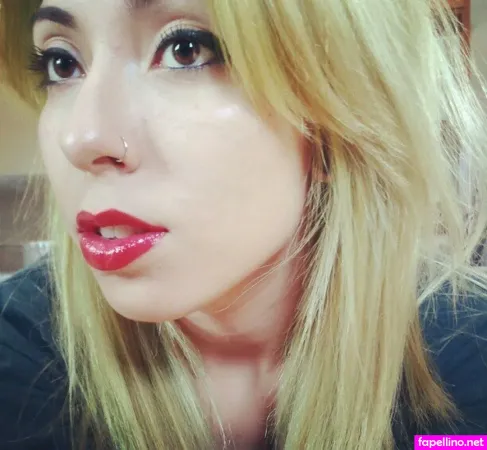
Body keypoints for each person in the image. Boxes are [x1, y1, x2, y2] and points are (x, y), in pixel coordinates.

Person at [1, 0, 487, 449]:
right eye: (62, 63)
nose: (82, 138)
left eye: (185, 49)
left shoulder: (463, 349)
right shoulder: (21, 343)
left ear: (337, 116)